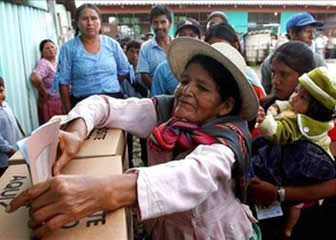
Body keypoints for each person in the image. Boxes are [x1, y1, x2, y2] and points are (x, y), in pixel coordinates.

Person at [8, 38, 261, 240]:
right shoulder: (168, 112)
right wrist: (76, 132)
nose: (187, 91)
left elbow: (195, 175)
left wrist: (104, 191)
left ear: (225, 105)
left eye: (202, 87)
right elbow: (103, 105)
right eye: (185, 81)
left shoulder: (227, 140)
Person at [248, 41, 336, 240]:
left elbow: (332, 183)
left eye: (284, 74)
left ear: (304, 77)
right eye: (273, 72)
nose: (275, 80)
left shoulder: (321, 126)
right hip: (260, 213)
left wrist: (278, 193)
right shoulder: (262, 110)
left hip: (302, 216)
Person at [54, 4, 130, 113]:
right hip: (83, 105)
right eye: (85, 19)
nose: (90, 23)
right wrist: (69, 113)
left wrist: (108, 84)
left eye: (94, 18)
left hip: (113, 102)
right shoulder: (68, 48)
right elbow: (63, 83)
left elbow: (124, 70)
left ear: (100, 21)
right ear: (77, 23)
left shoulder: (112, 44)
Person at [261, 12, 327, 94]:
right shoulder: (271, 61)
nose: (312, 37)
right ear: (292, 33)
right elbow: (265, 91)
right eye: (308, 32)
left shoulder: (317, 61)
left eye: (314, 32)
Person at [205, 22, 266, 100]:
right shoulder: (203, 76)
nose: (218, 54)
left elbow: (261, 101)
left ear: (235, 46)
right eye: (213, 50)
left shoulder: (249, 77)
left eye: (223, 48)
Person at [151, 17, 202, 96]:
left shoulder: (205, 69)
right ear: (175, 39)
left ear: (200, 40)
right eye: (182, 35)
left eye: (192, 35)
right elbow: (157, 103)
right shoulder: (162, 69)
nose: (187, 39)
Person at [136, 5, 173, 89]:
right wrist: (159, 90)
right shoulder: (145, 47)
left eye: (163, 22)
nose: (159, 26)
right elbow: (144, 75)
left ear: (170, 24)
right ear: (151, 25)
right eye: (155, 23)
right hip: (156, 97)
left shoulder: (178, 45)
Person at [31, 39, 64, 124]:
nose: (50, 50)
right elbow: (35, 78)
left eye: (52, 47)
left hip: (60, 102)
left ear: (56, 49)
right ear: (42, 53)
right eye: (47, 48)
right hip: (50, 104)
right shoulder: (44, 63)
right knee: (53, 131)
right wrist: (44, 93)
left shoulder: (57, 62)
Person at [0, 77, 21, 177]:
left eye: (1, 91)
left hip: (15, 152)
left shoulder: (6, 106)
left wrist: (19, 146)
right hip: (3, 160)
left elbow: (15, 128)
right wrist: (9, 149)